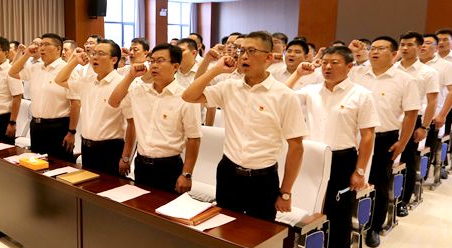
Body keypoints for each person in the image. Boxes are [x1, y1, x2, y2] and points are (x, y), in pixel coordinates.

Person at [182, 31, 308, 222]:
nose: (244, 56)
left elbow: (296, 147)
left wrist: (285, 192)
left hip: (263, 179)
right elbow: (188, 96)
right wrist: (216, 70)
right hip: (228, 173)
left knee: (260, 233)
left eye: (251, 51)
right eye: (241, 51)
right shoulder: (229, 87)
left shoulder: (284, 95)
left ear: (268, 57)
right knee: (224, 227)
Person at [286, 46, 378, 248]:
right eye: (325, 62)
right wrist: (298, 74)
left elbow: (367, 136)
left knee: (340, 212)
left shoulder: (361, 95)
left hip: (342, 158)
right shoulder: (311, 91)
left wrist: (359, 171)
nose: (328, 67)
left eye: (335, 62)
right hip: (312, 157)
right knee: (311, 208)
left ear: (349, 67)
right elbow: (281, 96)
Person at [350, 36, 419, 248]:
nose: (375, 52)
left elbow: (411, 114)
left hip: (384, 138)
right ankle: (349, 223)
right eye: (373, 48)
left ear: (394, 54)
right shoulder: (357, 73)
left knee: (379, 183)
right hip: (354, 136)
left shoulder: (405, 80)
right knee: (350, 181)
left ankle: (374, 227)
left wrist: (402, 143)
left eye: (381, 48)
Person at [109, 44, 200, 192]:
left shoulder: (185, 97)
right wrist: (130, 76)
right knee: (140, 204)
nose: (154, 65)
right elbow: (113, 102)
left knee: (166, 206)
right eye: (152, 61)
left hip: (169, 166)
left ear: (175, 66)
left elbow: (194, 138)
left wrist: (187, 174)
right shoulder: (139, 91)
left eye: (160, 61)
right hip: (141, 164)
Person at [55, 39, 132, 175]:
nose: (95, 57)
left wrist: (126, 157)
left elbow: (132, 123)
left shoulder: (122, 85)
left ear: (114, 60)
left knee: (108, 187)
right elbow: (59, 80)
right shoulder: (88, 80)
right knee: (88, 185)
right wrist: (74, 61)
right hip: (87, 147)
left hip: (110, 149)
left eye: (101, 54)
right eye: (94, 53)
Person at [9, 33, 80, 162]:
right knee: (37, 165)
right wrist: (27, 54)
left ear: (58, 49)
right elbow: (12, 72)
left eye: (46, 45)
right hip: (36, 126)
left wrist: (72, 132)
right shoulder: (35, 68)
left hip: (58, 127)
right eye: (41, 45)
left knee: (59, 166)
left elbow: (76, 104)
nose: (42, 48)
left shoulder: (67, 70)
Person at [395, 32, 439, 216]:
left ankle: (403, 200)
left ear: (420, 47)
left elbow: (432, 101)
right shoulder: (393, 68)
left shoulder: (427, 72)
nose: (405, 48)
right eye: (402, 45)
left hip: (413, 120)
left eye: (410, 45)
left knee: (408, 159)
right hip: (391, 120)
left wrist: (424, 127)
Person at [419, 34, 452, 179]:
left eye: (427, 43)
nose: (423, 46)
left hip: (432, 113)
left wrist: (442, 115)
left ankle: (422, 177)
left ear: (436, 48)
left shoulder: (446, 66)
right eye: (421, 43)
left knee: (427, 146)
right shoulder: (410, 64)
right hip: (410, 113)